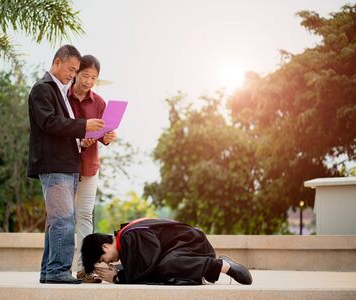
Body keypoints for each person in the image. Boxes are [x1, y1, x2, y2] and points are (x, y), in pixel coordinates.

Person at [27, 45, 105, 284]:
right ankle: (59, 271)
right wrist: (83, 126)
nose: (73, 74)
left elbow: (62, 126)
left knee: (56, 220)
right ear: (57, 62)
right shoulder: (43, 89)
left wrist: (85, 136)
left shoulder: (59, 91)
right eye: (71, 69)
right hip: (54, 165)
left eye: (75, 70)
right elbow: (49, 123)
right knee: (63, 219)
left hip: (66, 165)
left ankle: (48, 271)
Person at [81, 218, 253, 285]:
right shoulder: (126, 237)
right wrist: (121, 273)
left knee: (165, 266)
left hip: (193, 245)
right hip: (186, 250)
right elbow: (144, 264)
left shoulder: (129, 237)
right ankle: (206, 270)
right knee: (165, 267)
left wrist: (119, 278)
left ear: (105, 246)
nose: (108, 263)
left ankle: (223, 266)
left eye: (103, 259)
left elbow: (149, 264)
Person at [68, 54, 117, 283]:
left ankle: (84, 268)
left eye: (94, 78)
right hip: (64, 166)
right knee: (64, 217)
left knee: (85, 215)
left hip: (89, 166)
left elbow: (103, 134)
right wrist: (79, 139)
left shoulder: (99, 102)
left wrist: (108, 136)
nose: (88, 81)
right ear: (76, 73)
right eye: (85, 75)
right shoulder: (63, 98)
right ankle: (59, 267)